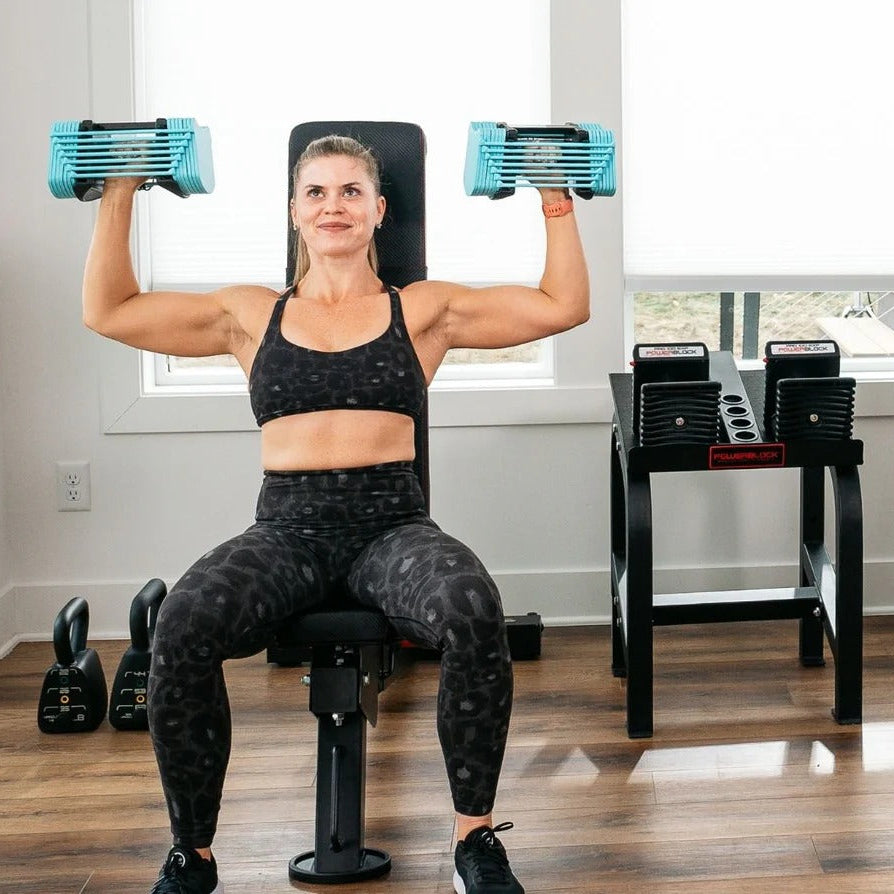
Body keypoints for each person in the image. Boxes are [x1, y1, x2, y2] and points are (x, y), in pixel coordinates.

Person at [82, 134, 590, 894]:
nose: (333, 206)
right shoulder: (249, 314)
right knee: (183, 622)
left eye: (351, 191)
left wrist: (554, 193)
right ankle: (193, 853)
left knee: (471, 604)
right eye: (316, 192)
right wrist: (120, 188)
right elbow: (109, 309)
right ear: (294, 211)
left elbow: (565, 305)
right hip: (286, 531)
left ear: (379, 209)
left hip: (390, 528)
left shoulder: (421, 311)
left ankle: (473, 840)